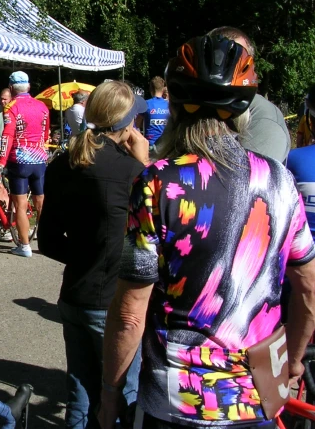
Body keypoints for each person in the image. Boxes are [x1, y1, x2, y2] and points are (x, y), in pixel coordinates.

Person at [99, 35, 315, 429]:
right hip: (256, 398)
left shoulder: (157, 183)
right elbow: (307, 288)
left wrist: (110, 394)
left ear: (177, 107)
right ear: (243, 111)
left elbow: (130, 314)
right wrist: (295, 359)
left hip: (175, 403)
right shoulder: (281, 181)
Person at [39, 81, 148, 429]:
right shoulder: (132, 173)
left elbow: (50, 241)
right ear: (128, 124)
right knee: (120, 399)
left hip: (74, 296)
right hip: (113, 303)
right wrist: (143, 165)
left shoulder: (64, 163)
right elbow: (149, 241)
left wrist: (85, 255)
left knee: (80, 397)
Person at [207, 27, 290, 162]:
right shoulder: (195, 108)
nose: (222, 67)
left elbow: (252, 179)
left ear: (251, 67)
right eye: (217, 57)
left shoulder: (262, 118)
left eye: (236, 58)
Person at [0, 71, 50, 258]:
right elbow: (46, 132)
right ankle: (46, 242)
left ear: (11, 88)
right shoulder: (42, 106)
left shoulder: (12, 107)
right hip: (40, 159)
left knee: (21, 204)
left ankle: (24, 246)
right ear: (29, 87)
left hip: (20, 160)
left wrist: (1, 160)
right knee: (41, 203)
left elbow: (7, 135)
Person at [142, 76, 169, 148]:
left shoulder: (146, 104)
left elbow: (136, 126)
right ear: (163, 89)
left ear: (151, 88)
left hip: (150, 144)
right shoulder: (169, 105)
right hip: (166, 144)